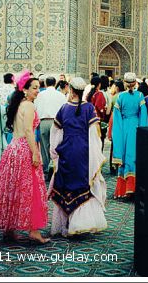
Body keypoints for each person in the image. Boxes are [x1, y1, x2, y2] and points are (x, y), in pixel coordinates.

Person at [0, 70, 50, 244]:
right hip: (24, 149)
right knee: (30, 188)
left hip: (13, 149)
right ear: (25, 89)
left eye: (38, 87)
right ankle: (33, 231)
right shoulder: (28, 105)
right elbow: (28, 130)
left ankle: (9, 229)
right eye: (34, 88)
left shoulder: (18, 103)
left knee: (12, 187)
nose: (37, 90)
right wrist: (35, 152)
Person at [49, 77, 107, 237]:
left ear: (71, 90)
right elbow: (94, 135)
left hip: (67, 151)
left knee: (66, 184)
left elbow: (56, 134)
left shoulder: (63, 109)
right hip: (83, 151)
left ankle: (68, 223)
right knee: (82, 183)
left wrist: (54, 154)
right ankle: (81, 223)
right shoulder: (89, 108)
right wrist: (95, 154)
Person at [111, 72, 148, 199]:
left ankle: (123, 190)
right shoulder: (140, 96)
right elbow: (143, 116)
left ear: (125, 84)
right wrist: (143, 131)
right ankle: (134, 188)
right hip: (136, 128)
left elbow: (116, 118)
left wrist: (117, 133)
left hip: (124, 128)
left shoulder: (120, 97)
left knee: (125, 156)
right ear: (135, 84)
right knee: (134, 156)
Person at [35, 75, 67, 180]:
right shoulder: (61, 95)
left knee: (44, 147)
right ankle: (55, 167)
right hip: (56, 122)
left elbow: (35, 108)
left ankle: (45, 169)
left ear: (45, 83)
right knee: (56, 145)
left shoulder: (40, 95)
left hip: (43, 121)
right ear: (55, 83)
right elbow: (64, 110)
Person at [107, 79, 124, 174]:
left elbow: (109, 112)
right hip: (124, 122)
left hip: (115, 121)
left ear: (117, 87)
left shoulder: (114, 97)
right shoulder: (126, 96)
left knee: (114, 144)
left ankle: (113, 166)